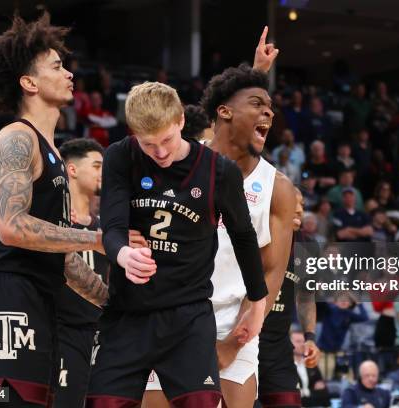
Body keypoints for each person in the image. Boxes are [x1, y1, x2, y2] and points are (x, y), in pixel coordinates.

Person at [86, 81, 268, 407]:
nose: (159, 153)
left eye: (167, 140)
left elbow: (243, 235)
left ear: (181, 121)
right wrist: (124, 254)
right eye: (148, 144)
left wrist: (257, 301)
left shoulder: (219, 170)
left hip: (188, 316)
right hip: (128, 312)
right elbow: (111, 227)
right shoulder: (119, 156)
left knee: (201, 402)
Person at [0, 13, 107, 407]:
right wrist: (97, 239)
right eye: (57, 66)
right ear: (29, 82)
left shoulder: (55, 155)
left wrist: (115, 303)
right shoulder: (16, 138)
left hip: (42, 295)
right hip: (8, 291)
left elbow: (62, 256)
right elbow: (11, 227)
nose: (69, 73)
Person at [184, 31, 294, 408]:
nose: (269, 113)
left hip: (238, 325)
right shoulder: (184, 162)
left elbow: (270, 274)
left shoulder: (277, 187)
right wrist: (255, 73)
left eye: (270, 108)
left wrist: (232, 342)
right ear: (224, 112)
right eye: (258, 105)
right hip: (174, 319)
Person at [55, 139, 110, 408]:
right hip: (63, 333)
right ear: (72, 170)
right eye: (97, 165)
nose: (104, 173)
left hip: (103, 337)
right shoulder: (53, 226)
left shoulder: (108, 229)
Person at [257, 188, 321, 408]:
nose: (299, 209)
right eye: (293, 202)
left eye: (302, 204)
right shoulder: (253, 234)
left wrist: (310, 337)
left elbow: (305, 297)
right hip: (243, 340)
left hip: (278, 346)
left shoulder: (309, 246)